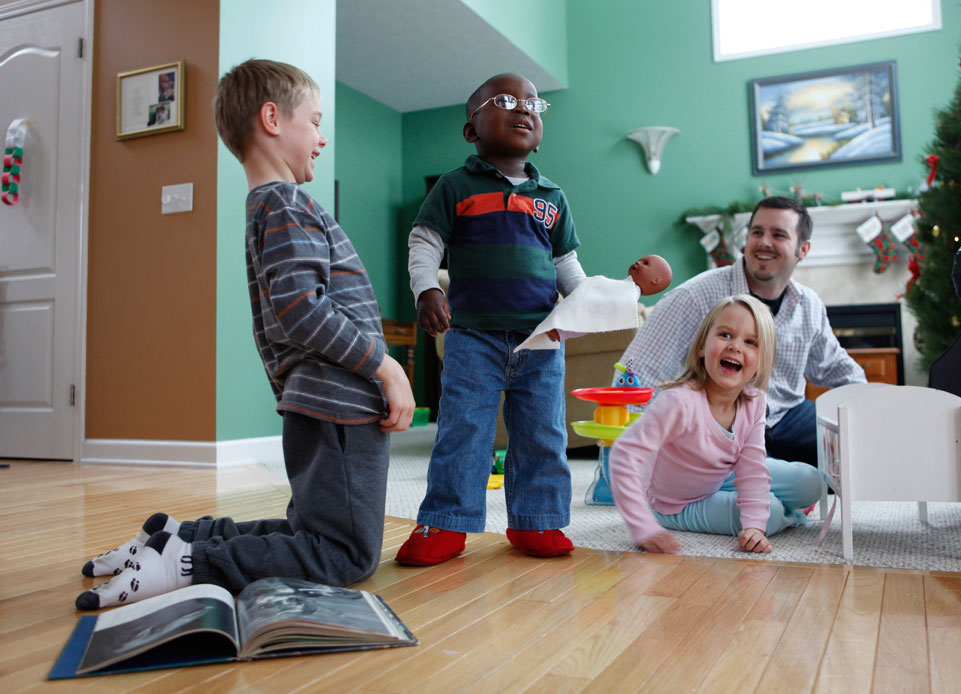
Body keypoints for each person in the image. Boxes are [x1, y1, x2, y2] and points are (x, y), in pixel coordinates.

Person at [75, 59, 414, 610]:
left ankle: (177, 539)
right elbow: (302, 310)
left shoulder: (265, 207)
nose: (322, 138)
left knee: (308, 529)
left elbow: (284, 313)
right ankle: (191, 562)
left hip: (319, 403)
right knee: (345, 554)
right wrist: (388, 367)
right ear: (273, 119)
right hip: (343, 403)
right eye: (316, 121)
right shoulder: (287, 205)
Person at [396, 73, 585, 565]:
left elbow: (566, 264)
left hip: (540, 340)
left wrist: (585, 303)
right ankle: (445, 522)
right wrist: (427, 289)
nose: (522, 108)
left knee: (544, 433)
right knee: (464, 431)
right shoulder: (455, 186)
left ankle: (536, 521)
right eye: (503, 101)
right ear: (471, 129)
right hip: (472, 337)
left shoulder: (553, 196)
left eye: (532, 103)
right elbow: (424, 243)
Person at [620, 196, 865, 466]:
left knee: (860, 455)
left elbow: (840, 370)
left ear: (802, 249)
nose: (764, 242)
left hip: (788, 417)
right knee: (761, 487)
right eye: (757, 232)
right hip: (720, 422)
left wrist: (868, 411)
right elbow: (637, 371)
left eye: (778, 234)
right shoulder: (695, 296)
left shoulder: (809, 305)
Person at [609, 295, 825, 554]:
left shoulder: (754, 402)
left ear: (760, 361)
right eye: (725, 335)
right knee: (772, 512)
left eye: (750, 342)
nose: (735, 346)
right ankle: (793, 515)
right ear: (702, 347)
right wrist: (643, 526)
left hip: (722, 476)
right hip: (676, 503)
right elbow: (624, 453)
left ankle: (780, 508)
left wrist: (754, 523)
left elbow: (752, 467)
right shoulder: (678, 402)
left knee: (813, 482)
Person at [516, 254, 672, 350]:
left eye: (645, 263)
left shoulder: (629, 296)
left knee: (583, 317)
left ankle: (558, 331)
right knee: (578, 311)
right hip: (584, 303)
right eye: (640, 259)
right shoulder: (626, 289)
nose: (638, 262)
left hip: (587, 312)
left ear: (656, 280)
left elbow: (598, 313)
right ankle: (556, 328)